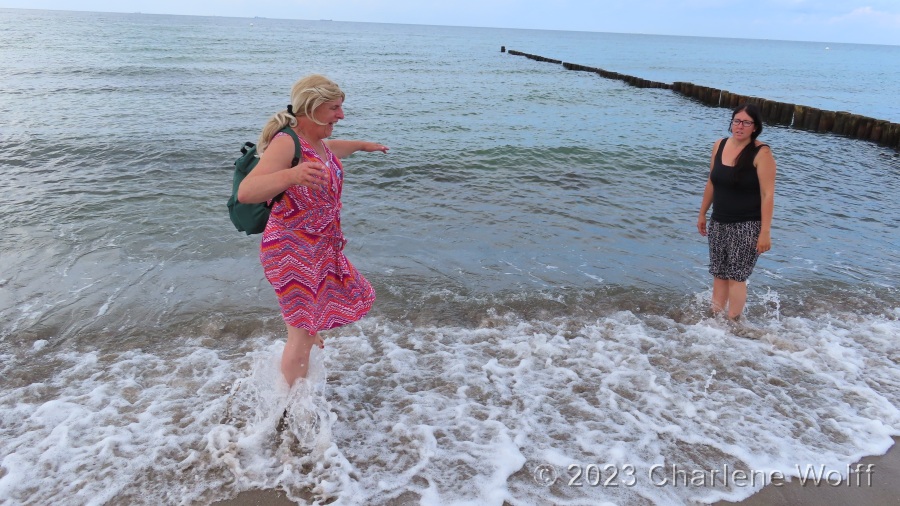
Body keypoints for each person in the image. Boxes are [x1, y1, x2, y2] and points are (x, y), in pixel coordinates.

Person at [237, 74, 387, 386]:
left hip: (318, 247)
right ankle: (290, 409)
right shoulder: (285, 143)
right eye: (334, 108)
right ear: (312, 107)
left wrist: (360, 146)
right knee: (301, 334)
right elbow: (247, 192)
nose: (341, 115)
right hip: (291, 250)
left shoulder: (314, 142)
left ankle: (293, 393)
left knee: (317, 317)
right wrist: (292, 175)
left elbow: (332, 148)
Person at [697, 103, 776, 320]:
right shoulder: (720, 145)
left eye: (746, 122)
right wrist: (703, 213)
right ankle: (715, 319)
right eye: (737, 121)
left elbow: (767, 195)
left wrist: (765, 231)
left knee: (736, 276)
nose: (740, 126)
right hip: (719, 221)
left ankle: (733, 322)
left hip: (747, 225)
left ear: (755, 127)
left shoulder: (762, 152)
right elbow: (711, 182)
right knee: (719, 273)